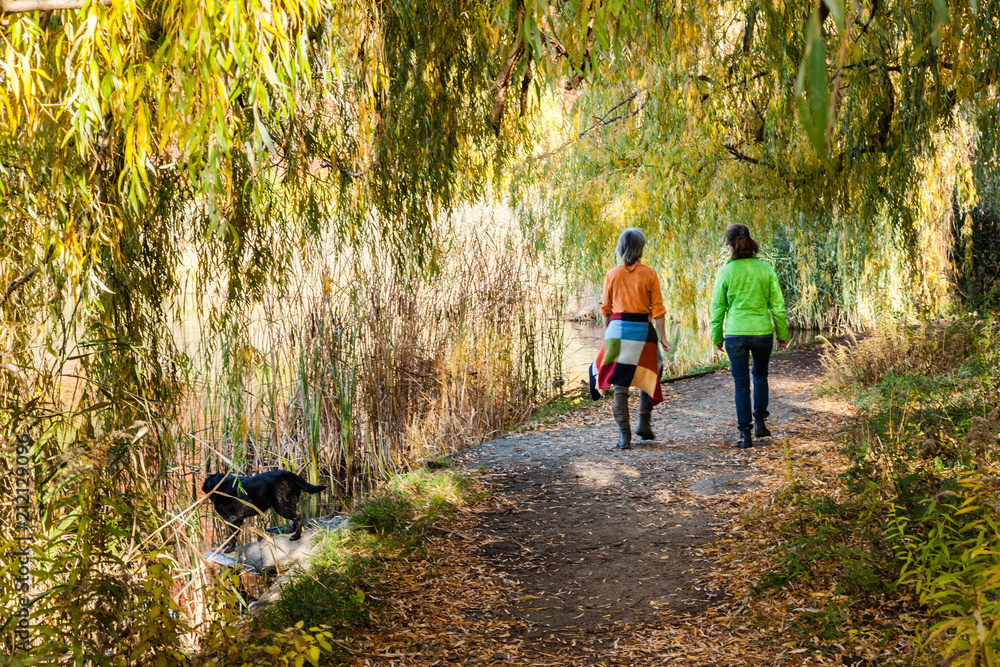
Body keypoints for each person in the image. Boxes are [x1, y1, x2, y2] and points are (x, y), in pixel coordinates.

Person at [588, 228, 671, 450]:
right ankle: (644, 418)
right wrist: (663, 336)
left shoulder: (612, 274)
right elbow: (658, 310)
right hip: (643, 331)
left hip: (617, 329)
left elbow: (605, 309)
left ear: (621, 248)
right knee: (655, 368)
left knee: (620, 385)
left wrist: (609, 333)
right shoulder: (650, 274)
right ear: (640, 249)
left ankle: (624, 437)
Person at [710, 224, 788, 449]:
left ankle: (745, 434)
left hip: (736, 334)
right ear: (750, 243)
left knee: (741, 383)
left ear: (731, 246)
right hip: (763, 332)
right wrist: (782, 335)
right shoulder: (765, 269)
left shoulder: (726, 271)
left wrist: (717, 336)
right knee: (761, 375)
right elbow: (778, 306)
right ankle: (761, 423)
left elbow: (717, 308)